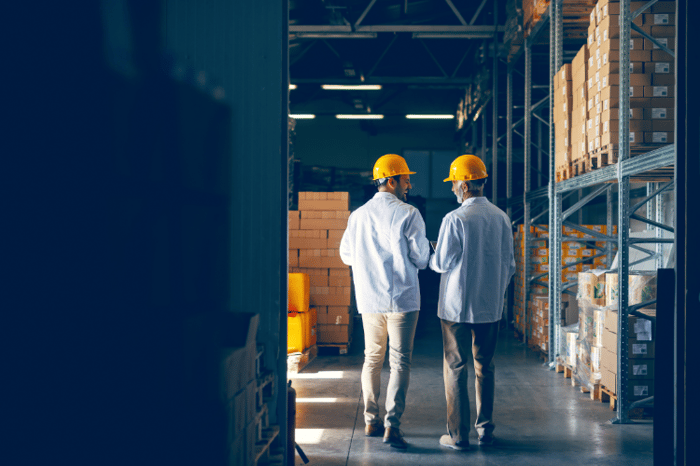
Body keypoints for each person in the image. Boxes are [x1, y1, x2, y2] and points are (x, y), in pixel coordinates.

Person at [339, 154, 430, 450]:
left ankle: (370, 419)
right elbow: (421, 258)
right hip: (402, 299)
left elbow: (346, 256)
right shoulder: (409, 213)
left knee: (372, 359)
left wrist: (369, 263)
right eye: (405, 179)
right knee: (400, 362)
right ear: (391, 181)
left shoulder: (357, 215)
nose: (409, 184)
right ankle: (392, 426)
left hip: (369, 299)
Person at [429, 154, 515, 451]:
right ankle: (486, 430)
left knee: (455, 367)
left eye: (454, 183)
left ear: (464, 184)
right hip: (489, 307)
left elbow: (441, 263)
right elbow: (511, 265)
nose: (453, 188)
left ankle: (458, 436)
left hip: (456, 307)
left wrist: (435, 250)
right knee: (485, 367)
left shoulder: (455, 219)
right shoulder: (501, 217)